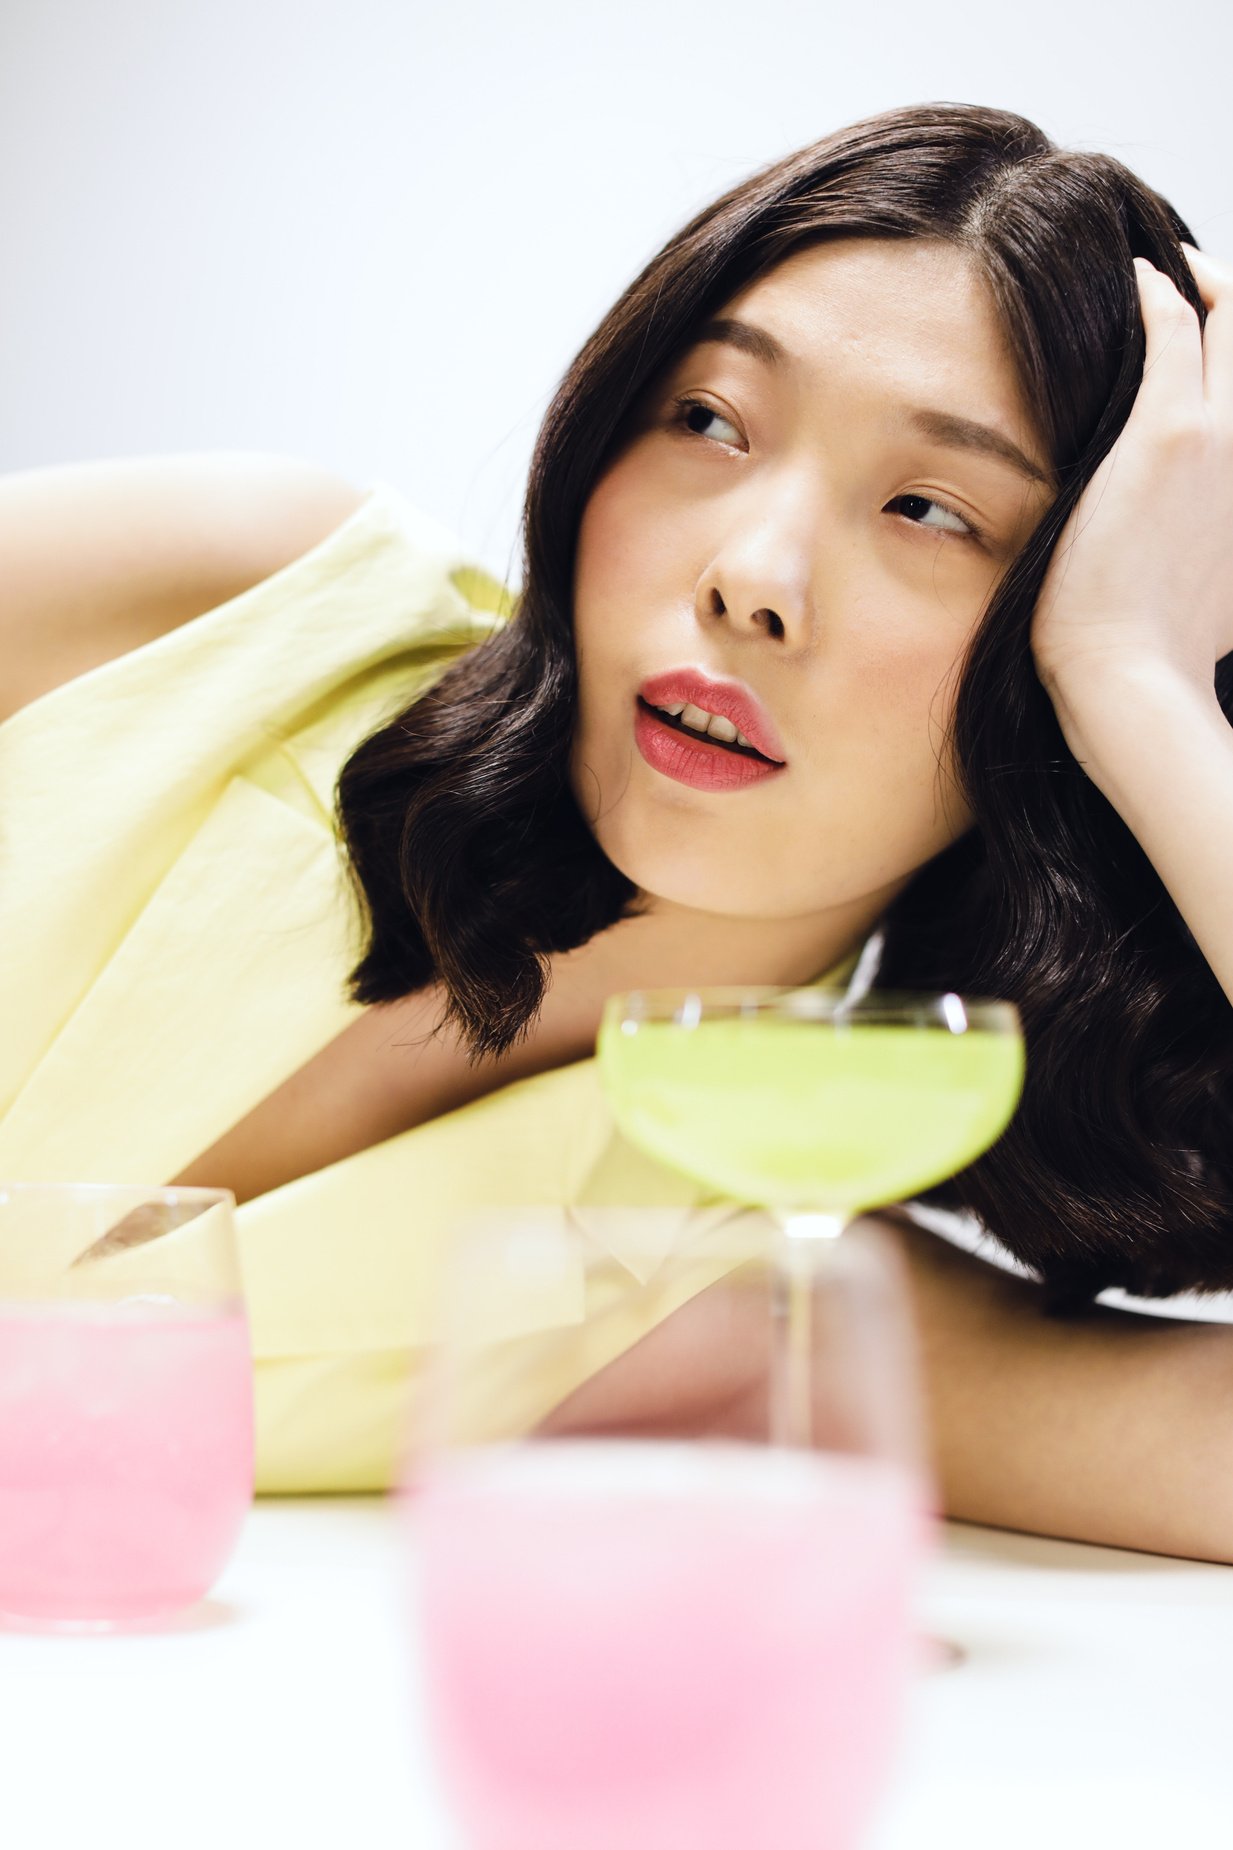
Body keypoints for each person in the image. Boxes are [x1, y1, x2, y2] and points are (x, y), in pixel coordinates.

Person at [5, 100, 1233, 1560]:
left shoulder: (728, 1284)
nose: (752, 577)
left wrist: (1145, 699)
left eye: (929, 509)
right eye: (707, 419)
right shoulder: (247, 597)